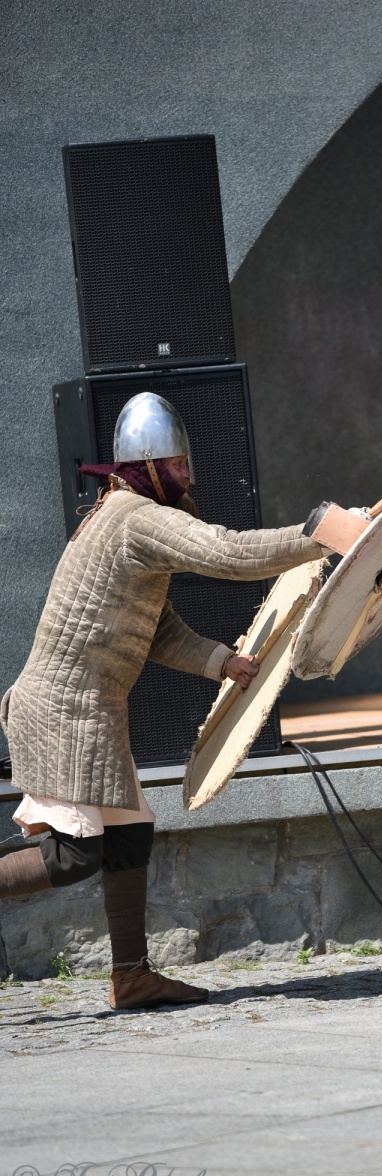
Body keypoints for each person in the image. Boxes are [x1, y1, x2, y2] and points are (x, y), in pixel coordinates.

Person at [0, 392, 327, 1009]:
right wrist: (320, 536)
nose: (185, 476)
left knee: (129, 835)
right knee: (73, 857)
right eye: (175, 465)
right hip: (64, 709)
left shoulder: (125, 512)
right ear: (147, 465)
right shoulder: (132, 515)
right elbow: (228, 552)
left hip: (89, 709)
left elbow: (154, 624)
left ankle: (132, 977)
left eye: (186, 463)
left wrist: (218, 661)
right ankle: (131, 976)